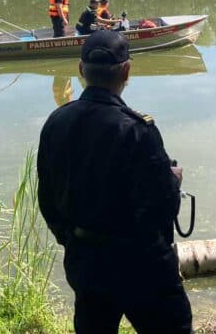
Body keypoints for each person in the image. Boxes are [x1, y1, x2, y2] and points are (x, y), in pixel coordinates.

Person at [37, 30, 192, 334]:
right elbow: (164, 207)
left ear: (81, 71)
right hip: (143, 265)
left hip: (86, 261)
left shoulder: (56, 122)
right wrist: (173, 180)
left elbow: (48, 200)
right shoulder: (137, 130)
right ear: (127, 71)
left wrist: (73, 240)